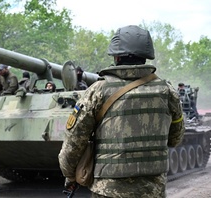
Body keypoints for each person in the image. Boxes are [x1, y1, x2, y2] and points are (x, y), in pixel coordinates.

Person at [58, 25, 185, 198]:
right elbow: (175, 138)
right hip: (152, 190)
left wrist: (70, 174)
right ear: (146, 56)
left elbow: (74, 141)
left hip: (108, 190)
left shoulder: (97, 91)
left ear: (116, 56)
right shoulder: (167, 91)